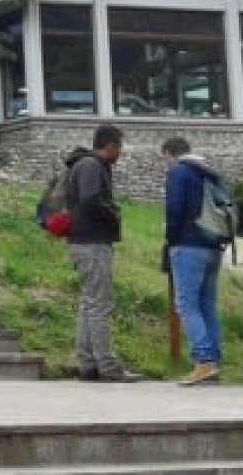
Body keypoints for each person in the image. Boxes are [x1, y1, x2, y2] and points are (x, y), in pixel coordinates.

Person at [65, 124, 143, 383]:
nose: (120, 154)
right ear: (110, 146)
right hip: (92, 242)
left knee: (89, 303)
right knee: (100, 304)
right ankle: (107, 366)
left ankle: (89, 363)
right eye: (119, 148)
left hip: (82, 241)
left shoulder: (84, 165)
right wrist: (113, 214)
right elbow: (90, 200)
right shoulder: (91, 166)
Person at [163, 136, 224, 386]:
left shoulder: (179, 171)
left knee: (186, 304)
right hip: (214, 245)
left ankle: (203, 361)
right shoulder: (209, 172)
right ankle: (214, 360)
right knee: (206, 304)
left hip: (188, 245)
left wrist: (171, 239)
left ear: (168, 153)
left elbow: (174, 208)